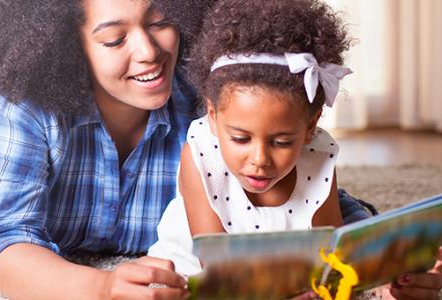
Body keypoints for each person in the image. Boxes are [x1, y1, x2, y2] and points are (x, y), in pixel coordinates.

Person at [0, 0, 430, 299]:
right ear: (67, 44)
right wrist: (98, 288)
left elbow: (307, 193)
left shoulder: (211, 101)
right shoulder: (23, 103)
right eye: (114, 36)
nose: (149, 51)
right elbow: (0, 239)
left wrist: (395, 259)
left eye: (160, 21)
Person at [147, 0, 442, 299]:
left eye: (282, 142)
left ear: (310, 126)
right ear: (212, 115)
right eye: (240, 139)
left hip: (294, 268)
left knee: (365, 256)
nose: (259, 160)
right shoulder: (198, 154)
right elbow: (217, 267)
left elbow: (331, 251)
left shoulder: (318, 155)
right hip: (205, 270)